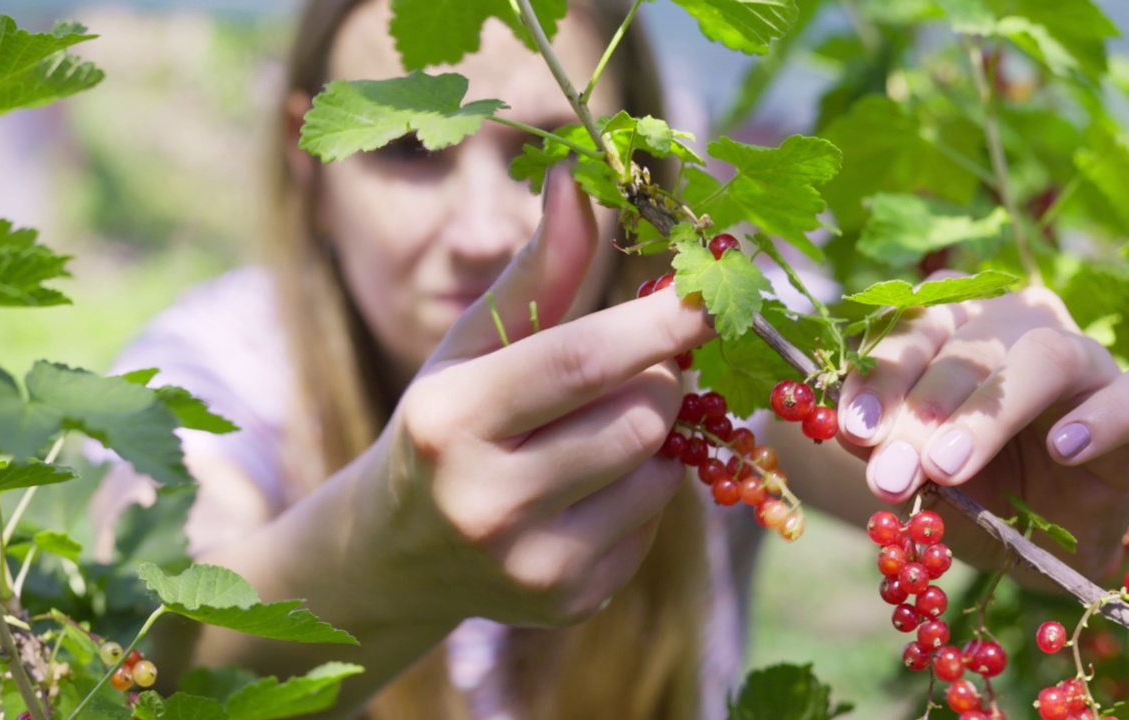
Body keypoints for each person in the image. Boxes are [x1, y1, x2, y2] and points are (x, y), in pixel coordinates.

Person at [89, 0, 1129, 717]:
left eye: (553, 156)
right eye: (410, 151)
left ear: (643, 181)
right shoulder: (213, 371)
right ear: (305, 167)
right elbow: (144, 638)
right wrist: (373, 554)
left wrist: (983, 438)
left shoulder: (701, 346)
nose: (488, 229)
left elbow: (842, 436)